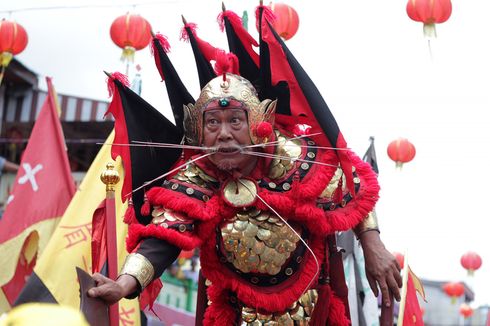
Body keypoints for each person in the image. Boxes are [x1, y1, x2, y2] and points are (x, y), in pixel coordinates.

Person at [88, 73, 402, 325]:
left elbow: (349, 182)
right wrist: (124, 284)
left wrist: (373, 244)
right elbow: (161, 238)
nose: (223, 133)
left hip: (308, 306)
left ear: (257, 122)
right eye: (213, 122)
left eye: (235, 121)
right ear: (198, 130)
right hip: (234, 311)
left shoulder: (295, 158)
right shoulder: (194, 174)